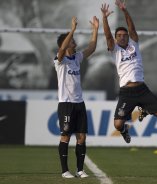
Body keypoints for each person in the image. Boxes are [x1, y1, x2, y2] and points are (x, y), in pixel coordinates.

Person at [100, 0, 157, 143]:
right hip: (127, 93)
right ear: (116, 38)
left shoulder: (134, 45)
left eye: (124, 35)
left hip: (142, 89)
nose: (123, 37)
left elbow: (132, 29)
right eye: (119, 35)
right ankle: (125, 130)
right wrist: (105, 18)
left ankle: (145, 110)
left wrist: (125, 11)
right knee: (118, 125)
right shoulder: (115, 50)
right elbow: (107, 36)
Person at [54, 16, 99, 178]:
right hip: (66, 104)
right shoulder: (60, 61)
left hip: (79, 103)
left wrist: (95, 29)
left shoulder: (77, 58)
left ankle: (80, 170)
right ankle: (65, 171)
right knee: (65, 136)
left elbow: (92, 48)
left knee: (81, 137)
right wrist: (72, 29)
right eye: (72, 40)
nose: (75, 42)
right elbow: (60, 51)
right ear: (65, 44)